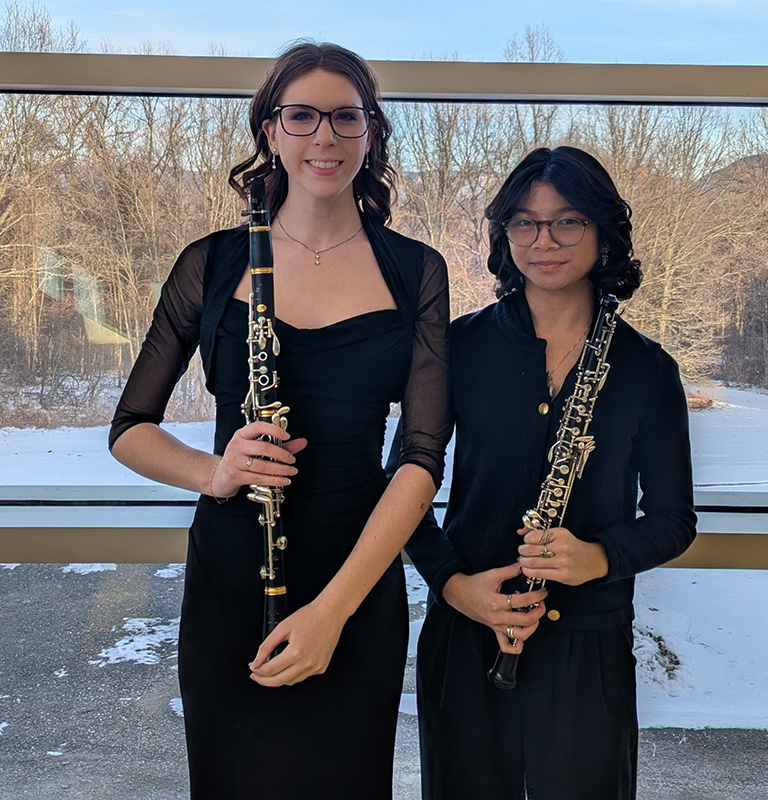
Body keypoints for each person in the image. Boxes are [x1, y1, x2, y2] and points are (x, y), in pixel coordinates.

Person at [109, 42, 450, 800]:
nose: (323, 137)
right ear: (270, 129)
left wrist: (332, 612)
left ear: (370, 131)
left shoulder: (416, 270)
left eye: (344, 117)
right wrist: (215, 470)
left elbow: (422, 456)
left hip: (353, 584)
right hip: (233, 574)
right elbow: (130, 425)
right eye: (301, 116)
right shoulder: (212, 262)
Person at [404, 146, 696, 800]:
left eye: (568, 222)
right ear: (504, 235)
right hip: (470, 631)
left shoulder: (646, 368)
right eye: (524, 223)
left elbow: (675, 520)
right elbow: (403, 487)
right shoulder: (458, 347)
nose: (545, 241)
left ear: (603, 232)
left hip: (588, 649)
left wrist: (599, 557)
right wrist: (452, 586)